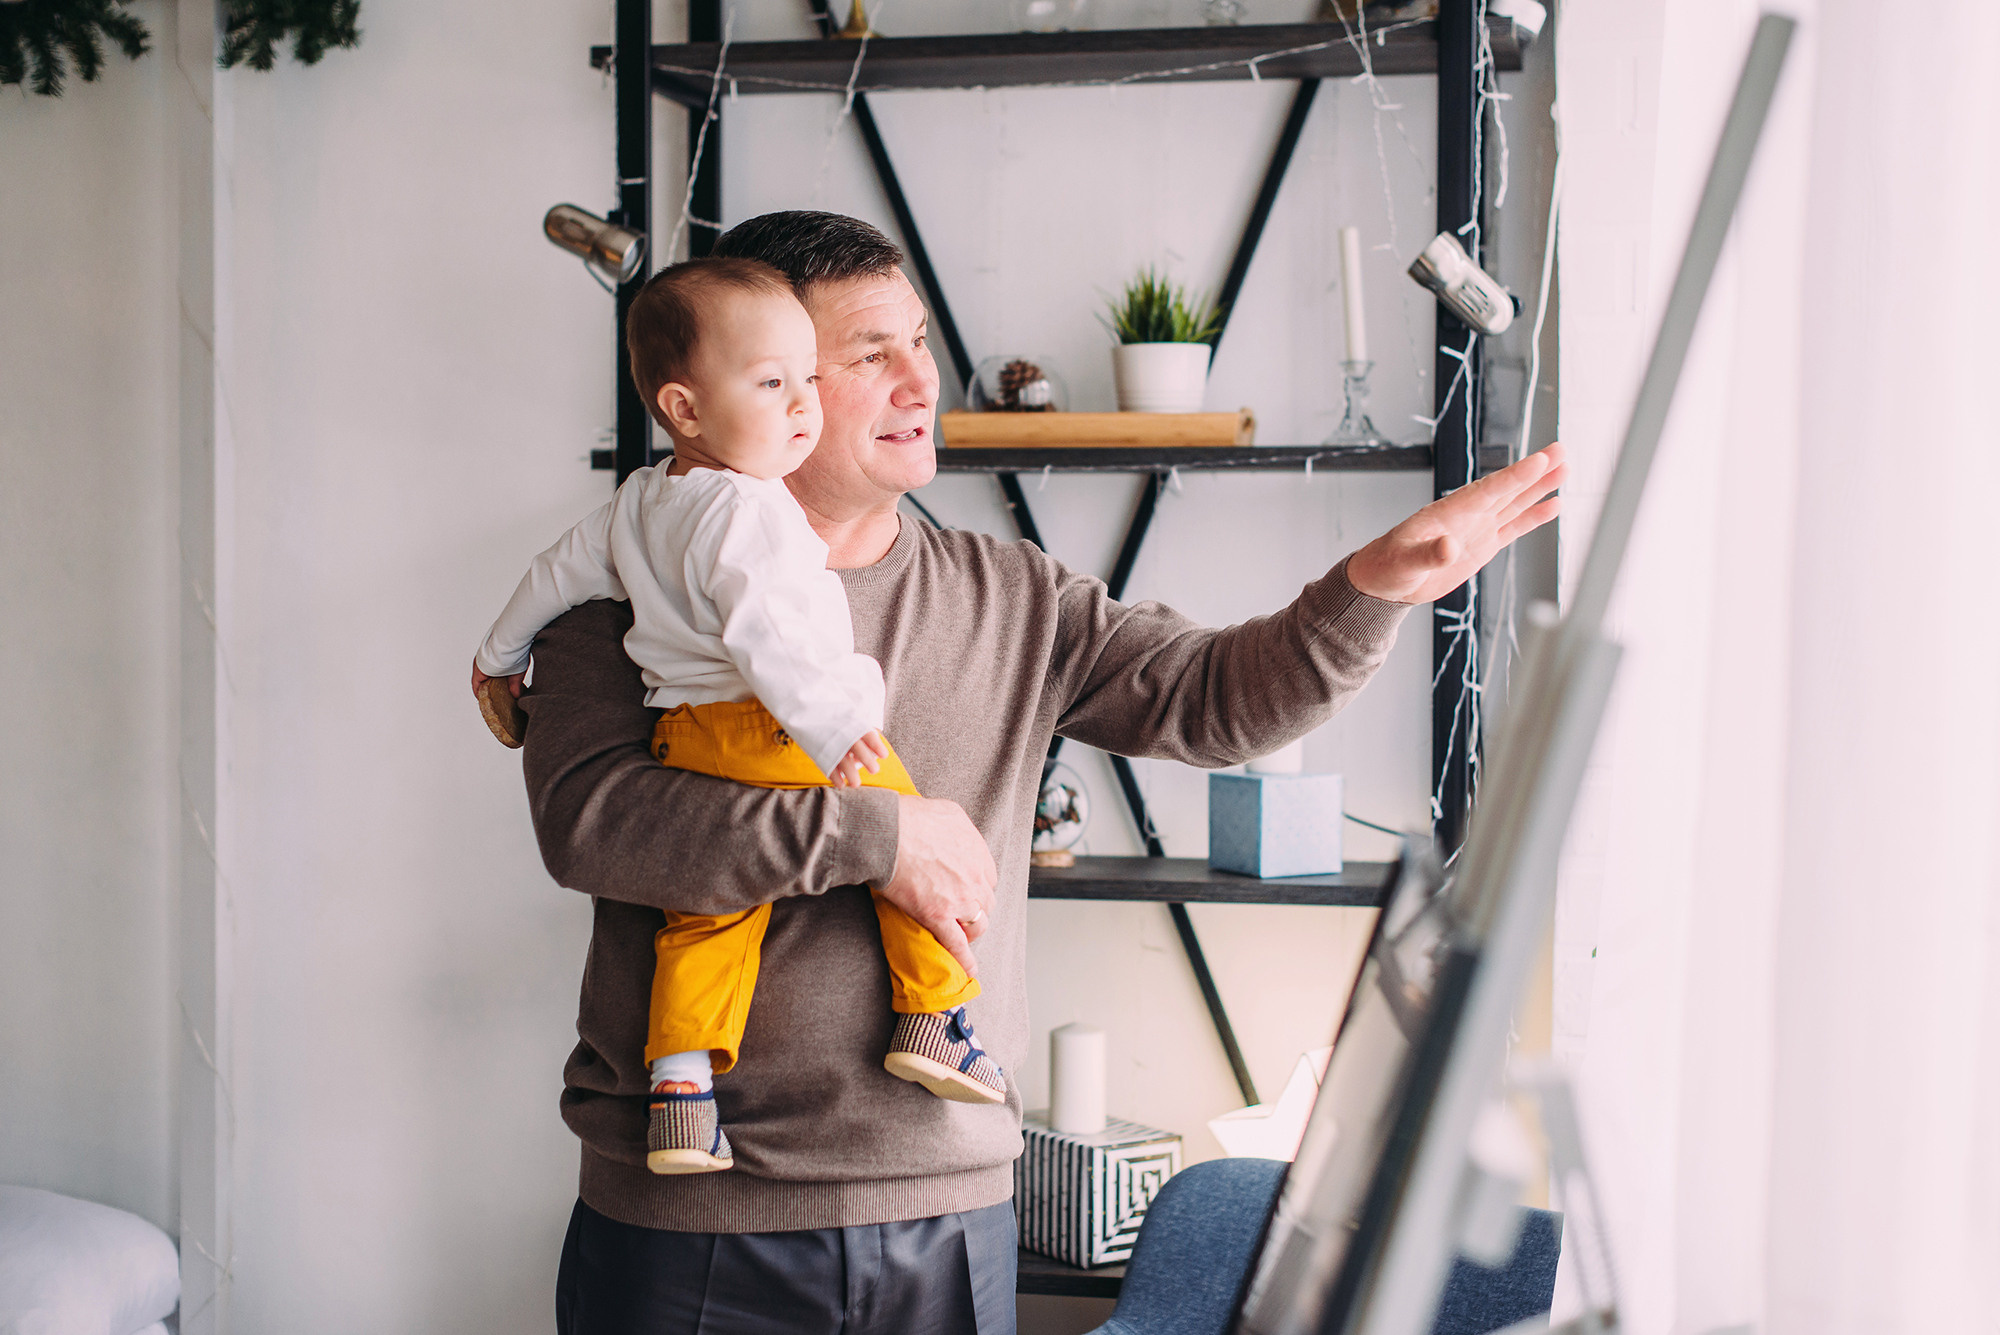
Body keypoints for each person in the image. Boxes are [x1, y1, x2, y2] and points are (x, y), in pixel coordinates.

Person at [521, 211, 1566, 1335]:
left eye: (919, 341)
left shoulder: (1008, 593)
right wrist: (879, 838)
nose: (920, 379)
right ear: (756, 383)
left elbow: (1212, 701)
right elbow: (594, 822)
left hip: (952, 1210)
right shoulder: (634, 588)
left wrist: (1373, 586)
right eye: (870, 354)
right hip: (691, 1225)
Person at [472, 257, 1005, 1182]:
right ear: (684, 406)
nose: (802, 405)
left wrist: (497, 657)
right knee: (915, 847)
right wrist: (838, 730)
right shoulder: (750, 510)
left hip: (689, 735)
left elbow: (551, 576)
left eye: (807, 381)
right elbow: (769, 637)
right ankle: (934, 1015)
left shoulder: (637, 502)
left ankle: (681, 1093)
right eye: (772, 384)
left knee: (708, 912)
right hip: (776, 724)